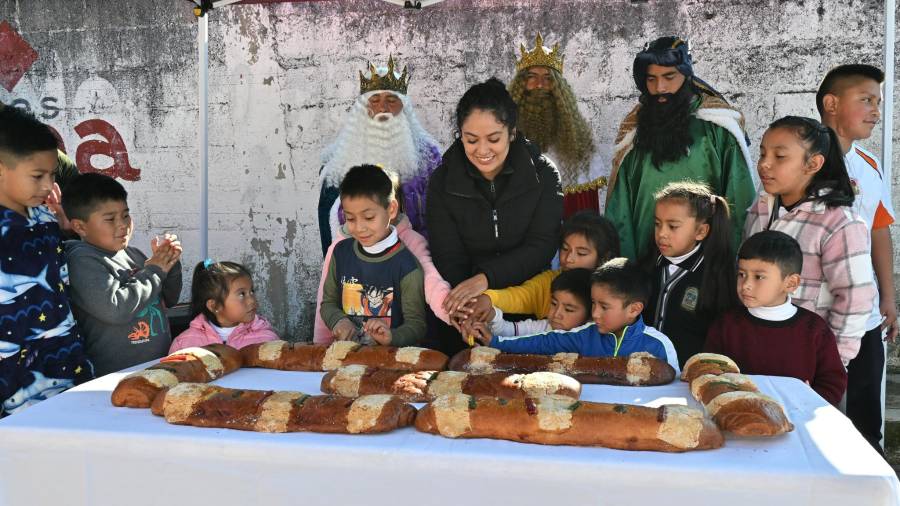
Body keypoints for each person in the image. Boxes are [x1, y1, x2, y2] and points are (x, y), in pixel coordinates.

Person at [427, 77, 563, 355]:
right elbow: (447, 255)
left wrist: (486, 279)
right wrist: (467, 310)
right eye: (471, 140)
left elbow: (542, 245)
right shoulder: (442, 181)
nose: (483, 150)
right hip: (466, 311)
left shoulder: (543, 175)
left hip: (527, 308)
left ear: (512, 132)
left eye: (494, 139)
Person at [605, 36, 756, 259]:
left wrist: (728, 265)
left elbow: (738, 198)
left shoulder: (718, 127)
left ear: (686, 75)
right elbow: (621, 208)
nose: (660, 88)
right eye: (651, 79)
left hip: (706, 262)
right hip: (644, 261)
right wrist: (624, 269)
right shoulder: (634, 130)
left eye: (669, 76)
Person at [745, 116, 875, 370]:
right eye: (762, 154)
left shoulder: (839, 224)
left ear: (813, 163)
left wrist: (832, 365)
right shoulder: (760, 207)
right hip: (757, 350)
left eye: (779, 157)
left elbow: (854, 300)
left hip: (808, 362)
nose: (764, 164)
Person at [817, 64, 895, 453]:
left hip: (863, 315)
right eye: (865, 100)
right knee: (814, 416)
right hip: (813, 314)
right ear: (831, 103)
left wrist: (889, 299)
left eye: (877, 102)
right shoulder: (801, 159)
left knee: (867, 423)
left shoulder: (870, 165)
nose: (876, 111)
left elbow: (879, 230)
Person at [0, 106, 93, 416]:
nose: (47, 185)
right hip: (11, 374)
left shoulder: (46, 217)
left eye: (52, 175)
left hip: (63, 357)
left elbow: (60, 283)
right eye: (37, 176)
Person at [706, 231, 847, 406]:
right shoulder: (726, 325)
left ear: (791, 283)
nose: (746, 285)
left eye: (759, 277)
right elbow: (710, 373)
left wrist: (808, 402)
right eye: (742, 274)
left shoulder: (814, 329)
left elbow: (833, 381)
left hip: (798, 422)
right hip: (737, 419)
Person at [317, 56, 442, 255]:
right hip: (360, 263)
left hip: (417, 260)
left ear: (404, 107)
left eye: (391, 101)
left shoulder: (429, 157)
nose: (383, 108)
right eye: (375, 101)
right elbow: (328, 224)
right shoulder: (338, 162)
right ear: (364, 108)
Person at [62, 173, 182, 376]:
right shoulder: (82, 260)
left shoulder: (134, 255)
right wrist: (155, 269)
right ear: (80, 226)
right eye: (110, 219)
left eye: (126, 215)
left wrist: (169, 263)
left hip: (156, 366)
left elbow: (169, 299)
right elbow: (114, 309)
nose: (122, 224)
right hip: (113, 376)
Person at [313, 171, 451, 344]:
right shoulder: (339, 253)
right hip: (345, 361)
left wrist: (392, 337)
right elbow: (327, 304)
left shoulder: (407, 263)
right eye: (350, 218)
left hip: (392, 363)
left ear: (391, 209)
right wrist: (338, 321)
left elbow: (416, 325)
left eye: (369, 217)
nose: (360, 227)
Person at [478, 258, 679, 372]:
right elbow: (544, 342)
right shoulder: (584, 334)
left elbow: (674, 389)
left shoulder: (659, 346)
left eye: (604, 306)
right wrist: (497, 343)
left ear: (634, 309)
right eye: (593, 303)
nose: (595, 313)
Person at [643, 182, 740, 367]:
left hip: (689, 376)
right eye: (657, 224)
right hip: (644, 370)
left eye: (673, 226)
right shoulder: (646, 268)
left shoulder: (717, 277)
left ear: (701, 231)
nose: (661, 233)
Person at [509, 34, 604, 215]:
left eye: (547, 78)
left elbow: (584, 208)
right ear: (521, 84)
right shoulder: (502, 131)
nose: (539, 85)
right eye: (532, 77)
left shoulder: (577, 142)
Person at [464, 211, 618, 322]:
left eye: (582, 253)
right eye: (565, 249)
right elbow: (521, 296)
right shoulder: (549, 281)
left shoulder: (614, 292)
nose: (569, 259)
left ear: (603, 258)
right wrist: (488, 298)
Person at [170, 260, 278, 352]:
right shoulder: (185, 344)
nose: (251, 300)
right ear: (214, 306)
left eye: (252, 291)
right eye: (242, 294)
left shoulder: (266, 340)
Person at [467, 268, 592, 339]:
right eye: (554, 304)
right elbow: (507, 330)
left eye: (569, 310)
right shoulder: (543, 328)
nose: (557, 314)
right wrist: (492, 315)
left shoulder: (592, 341)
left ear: (590, 315)